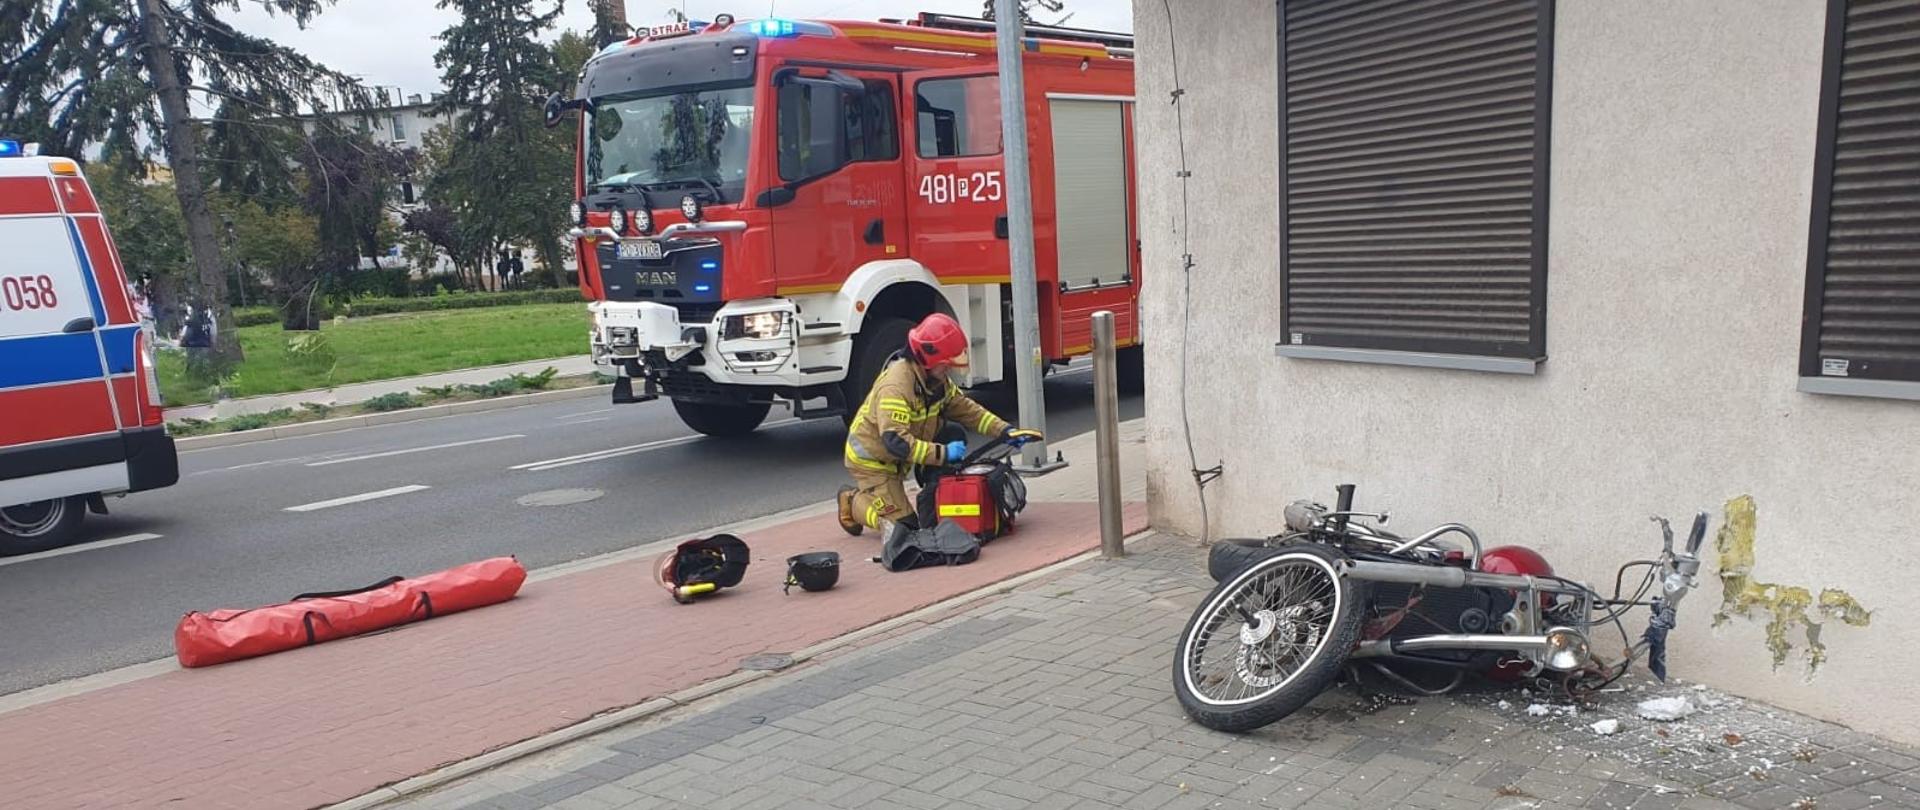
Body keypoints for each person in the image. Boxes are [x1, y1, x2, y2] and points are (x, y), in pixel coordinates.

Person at [838, 312, 1042, 539]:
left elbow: (967, 410)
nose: (949, 371)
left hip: (899, 457)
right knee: (902, 530)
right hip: (873, 463)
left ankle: (936, 494)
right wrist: (944, 454)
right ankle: (852, 501)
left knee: (952, 432)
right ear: (928, 359)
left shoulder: (935, 381)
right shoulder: (895, 386)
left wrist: (1005, 431)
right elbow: (896, 442)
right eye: (945, 365)